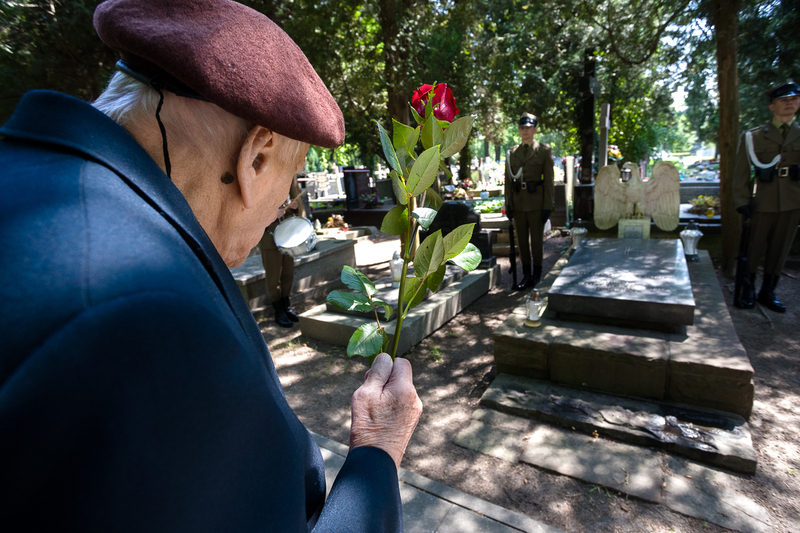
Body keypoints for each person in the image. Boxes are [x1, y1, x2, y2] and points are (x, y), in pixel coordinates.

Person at [0, 1, 422, 531]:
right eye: (290, 184)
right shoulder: (153, 315)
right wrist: (377, 455)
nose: (281, 210)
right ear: (257, 156)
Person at [733, 80, 800, 312]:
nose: (790, 103)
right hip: (762, 199)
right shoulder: (754, 136)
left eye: (794, 99)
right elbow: (741, 172)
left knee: (780, 248)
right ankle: (749, 288)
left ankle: (768, 291)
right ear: (772, 106)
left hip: (793, 200)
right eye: (784, 100)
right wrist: (741, 202)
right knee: (753, 246)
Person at [504, 113, 555, 290]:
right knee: (522, 243)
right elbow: (508, 181)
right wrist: (508, 204)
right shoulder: (512, 153)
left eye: (528, 128)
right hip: (518, 203)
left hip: (536, 203)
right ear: (519, 130)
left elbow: (549, 180)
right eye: (522, 128)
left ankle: (537, 276)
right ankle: (526, 276)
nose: (525, 131)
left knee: (536, 242)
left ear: (534, 129)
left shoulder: (543, 151)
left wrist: (548, 205)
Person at [259, 172, 305, 327]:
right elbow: (252, 207)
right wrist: (270, 215)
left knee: (288, 273)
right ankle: (278, 310)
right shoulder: (259, 174)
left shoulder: (289, 174)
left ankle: (286, 306)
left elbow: (296, 201)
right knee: (273, 277)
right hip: (268, 235)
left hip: (287, 234)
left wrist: (294, 206)